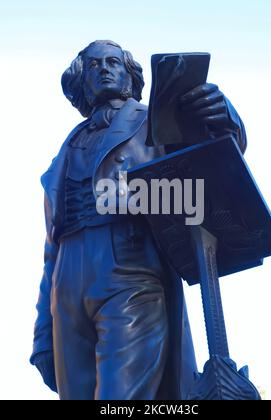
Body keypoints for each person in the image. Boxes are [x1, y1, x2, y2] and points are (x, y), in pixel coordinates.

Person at [30, 40, 247, 400]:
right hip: (66, 283)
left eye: (113, 61)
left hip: (131, 266)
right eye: (94, 64)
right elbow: (51, 249)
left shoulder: (155, 121)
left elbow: (216, 154)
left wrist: (224, 115)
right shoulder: (66, 149)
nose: (104, 68)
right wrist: (43, 331)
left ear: (129, 76)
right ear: (81, 83)